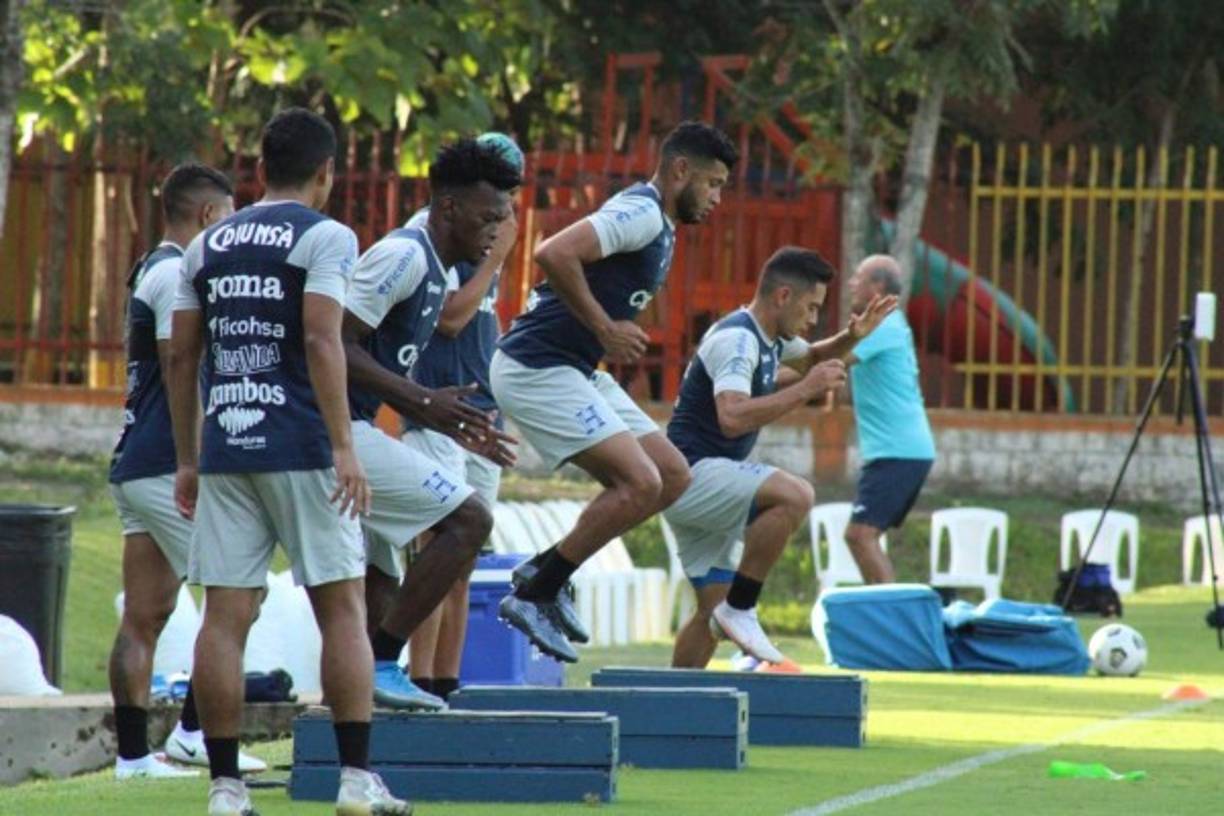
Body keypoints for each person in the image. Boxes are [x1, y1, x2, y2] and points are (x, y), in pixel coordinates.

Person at [168, 108, 408, 816]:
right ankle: (356, 781)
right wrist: (343, 445)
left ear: (261, 168)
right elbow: (322, 338)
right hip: (303, 444)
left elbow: (181, 355)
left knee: (224, 617)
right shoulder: (328, 236)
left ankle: (224, 788)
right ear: (327, 171)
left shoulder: (205, 245)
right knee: (342, 609)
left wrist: (188, 456)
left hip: (225, 447)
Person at [492, 121, 739, 662]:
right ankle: (537, 588)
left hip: (576, 368)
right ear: (681, 171)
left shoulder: (663, 223)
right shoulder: (642, 211)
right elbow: (554, 252)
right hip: (537, 366)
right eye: (713, 183)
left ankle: (551, 575)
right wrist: (605, 327)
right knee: (639, 481)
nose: (718, 197)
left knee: (672, 476)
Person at [342, 137, 520, 710]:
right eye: (490, 216)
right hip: (326, 431)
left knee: (368, 569)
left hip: (352, 428)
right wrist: (422, 404)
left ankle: (364, 701)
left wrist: (441, 412)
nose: (500, 229)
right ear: (449, 209)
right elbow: (329, 343)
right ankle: (386, 662)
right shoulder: (404, 255)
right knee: (467, 522)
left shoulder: (438, 265)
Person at [107, 163, 267, 779]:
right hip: (162, 464)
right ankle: (195, 734)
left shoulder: (151, 266)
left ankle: (130, 759)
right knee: (245, 592)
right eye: (227, 217)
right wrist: (192, 461)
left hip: (134, 462)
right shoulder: (177, 272)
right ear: (208, 215)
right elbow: (180, 360)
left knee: (146, 612)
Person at [665, 247, 895, 666]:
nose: (812, 319)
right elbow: (732, 417)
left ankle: (672, 706)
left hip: (693, 482)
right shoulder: (739, 339)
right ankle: (743, 605)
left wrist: (854, 336)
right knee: (796, 495)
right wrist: (807, 390)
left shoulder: (769, 338)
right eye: (811, 308)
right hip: (692, 474)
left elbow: (810, 358)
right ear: (783, 296)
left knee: (710, 617)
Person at [400, 133, 524, 703]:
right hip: (435, 408)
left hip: (481, 412)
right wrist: (497, 252)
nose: (506, 210)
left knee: (464, 560)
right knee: (436, 553)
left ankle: (447, 687)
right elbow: (450, 317)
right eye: (499, 199)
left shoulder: (484, 232)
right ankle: (415, 679)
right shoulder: (437, 235)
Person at [842, 254, 936, 584]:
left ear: (878, 287)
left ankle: (891, 619)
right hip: (899, 451)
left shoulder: (883, 326)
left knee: (860, 536)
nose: (851, 283)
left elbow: (831, 361)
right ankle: (888, 615)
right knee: (863, 536)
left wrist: (768, 367)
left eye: (859, 277)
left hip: (898, 452)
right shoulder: (888, 324)